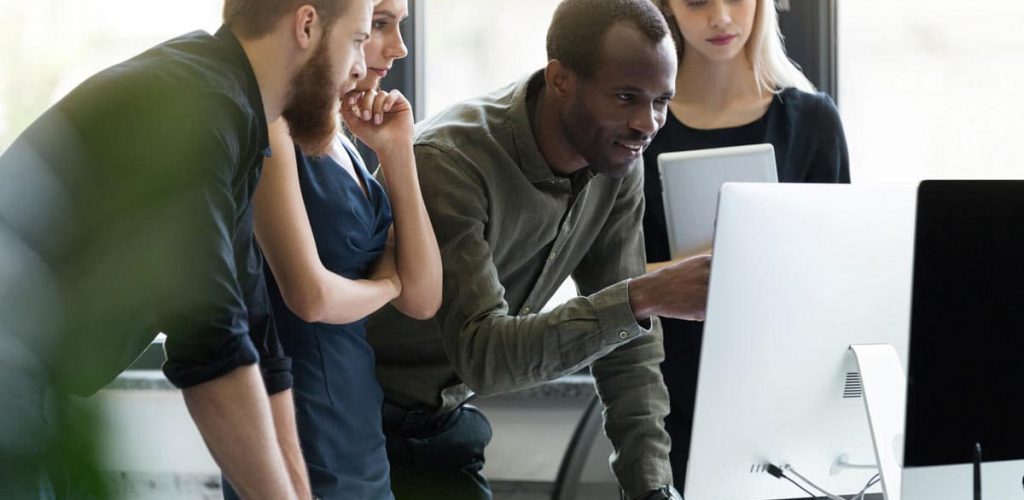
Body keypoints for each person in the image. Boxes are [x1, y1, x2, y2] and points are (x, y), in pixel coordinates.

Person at [0, 0, 375, 498]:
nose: (361, 67)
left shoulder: (231, 111)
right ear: (307, 25)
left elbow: (258, 347)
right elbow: (210, 349)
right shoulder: (200, 109)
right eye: (358, 39)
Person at [366, 0, 710, 499]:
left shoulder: (617, 161)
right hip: (351, 417)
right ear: (561, 79)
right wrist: (641, 297)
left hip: (440, 422)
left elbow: (628, 348)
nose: (647, 123)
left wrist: (653, 490)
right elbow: (484, 356)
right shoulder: (450, 163)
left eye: (661, 101)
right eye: (625, 96)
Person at [227, 0, 441, 498]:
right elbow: (312, 296)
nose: (396, 47)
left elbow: (424, 297)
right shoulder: (273, 126)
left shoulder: (340, 136)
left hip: (355, 415)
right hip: (300, 414)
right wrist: (386, 282)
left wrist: (396, 151)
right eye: (374, 26)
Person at [645, 0, 851, 487]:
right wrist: (674, 280)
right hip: (665, 394)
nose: (720, 17)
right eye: (696, 2)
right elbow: (604, 281)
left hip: (787, 393)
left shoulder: (812, 122)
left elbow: (842, 273)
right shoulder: (639, 127)